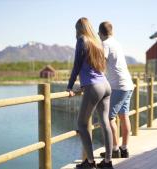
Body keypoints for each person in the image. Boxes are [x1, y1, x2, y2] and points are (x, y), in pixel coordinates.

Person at [67, 17, 114, 169]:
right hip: (105, 85)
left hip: (94, 87)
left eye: (76, 29)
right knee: (105, 122)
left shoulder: (82, 40)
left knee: (81, 124)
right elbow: (93, 67)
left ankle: (90, 163)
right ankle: (107, 162)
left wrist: (69, 86)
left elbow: (77, 65)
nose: (75, 32)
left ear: (79, 29)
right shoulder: (96, 42)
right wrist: (83, 85)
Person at [98, 21, 134, 158]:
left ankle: (114, 150)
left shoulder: (105, 44)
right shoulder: (117, 43)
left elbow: (100, 64)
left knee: (108, 118)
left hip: (118, 86)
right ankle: (124, 149)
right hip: (128, 85)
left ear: (100, 33)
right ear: (111, 31)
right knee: (124, 116)